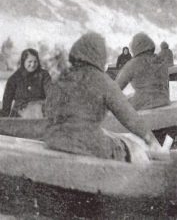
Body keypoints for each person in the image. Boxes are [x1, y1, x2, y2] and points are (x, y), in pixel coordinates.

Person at [43, 32, 162, 162]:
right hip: (87, 143)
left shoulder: (62, 77)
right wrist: (149, 138)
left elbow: (47, 109)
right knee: (133, 148)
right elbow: (128, 117)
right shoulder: (102, 81)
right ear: (100, 54)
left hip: (53, 139)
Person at [116, 32, 170, 110]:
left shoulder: (132, 64)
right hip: (164, 100)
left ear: (135, 46)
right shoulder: (161, 60)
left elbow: (115, 88)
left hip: (143, 103)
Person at [1, 48, 51, 117]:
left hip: (39, 113)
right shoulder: (15, 78)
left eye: (35, 61)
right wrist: (4, 118)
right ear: (24, 61)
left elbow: (50, 93)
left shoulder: (44, 75)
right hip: (20, 114)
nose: (33, 64)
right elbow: (7, 100)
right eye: (29, 62)